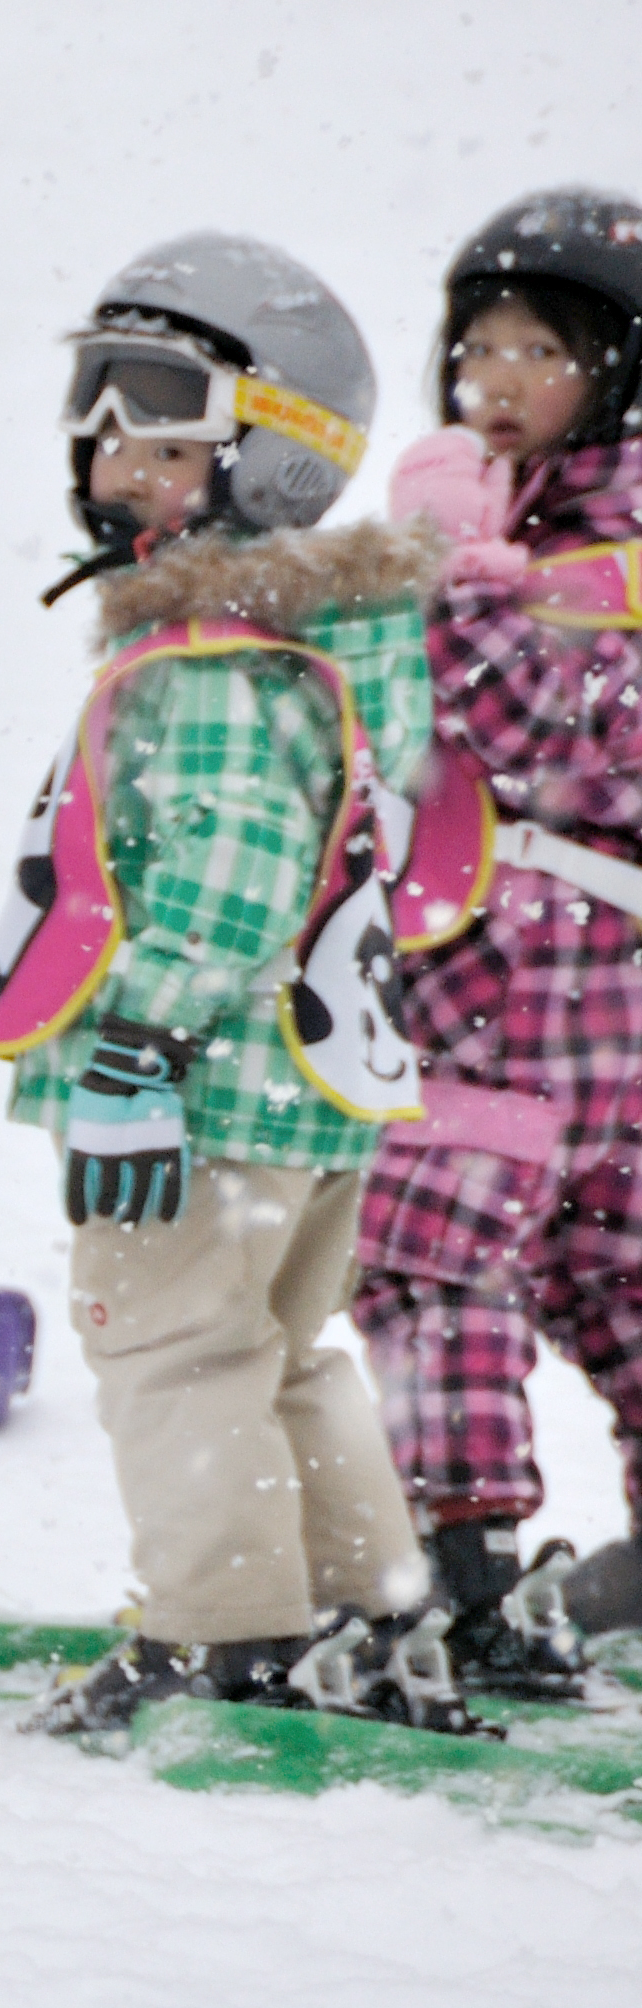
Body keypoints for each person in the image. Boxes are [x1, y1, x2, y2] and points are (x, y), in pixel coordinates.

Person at [0, 233, 447, 1736]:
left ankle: (220, 1636)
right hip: (300, 1089)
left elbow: (234, 868)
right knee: (278, 1356)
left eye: (163, 436)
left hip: (202, 1090)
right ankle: (365, 1613)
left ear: (272, 460)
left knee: (168, 1352)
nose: (116, 464)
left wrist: (140, 1042)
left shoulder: (211, 660)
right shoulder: (318, 641)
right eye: (99, 422)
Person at [355, 187, 642, 1677]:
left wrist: (455, 587)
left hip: (549, 990)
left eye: (541, 351)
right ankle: (477, 1580)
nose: (498, 383)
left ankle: (465, 1585)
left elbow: (555, 734)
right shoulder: (485, 521)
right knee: (598, 1269)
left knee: (439, 1261)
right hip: (488, 965)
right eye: (477, 351)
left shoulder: (614, 553)